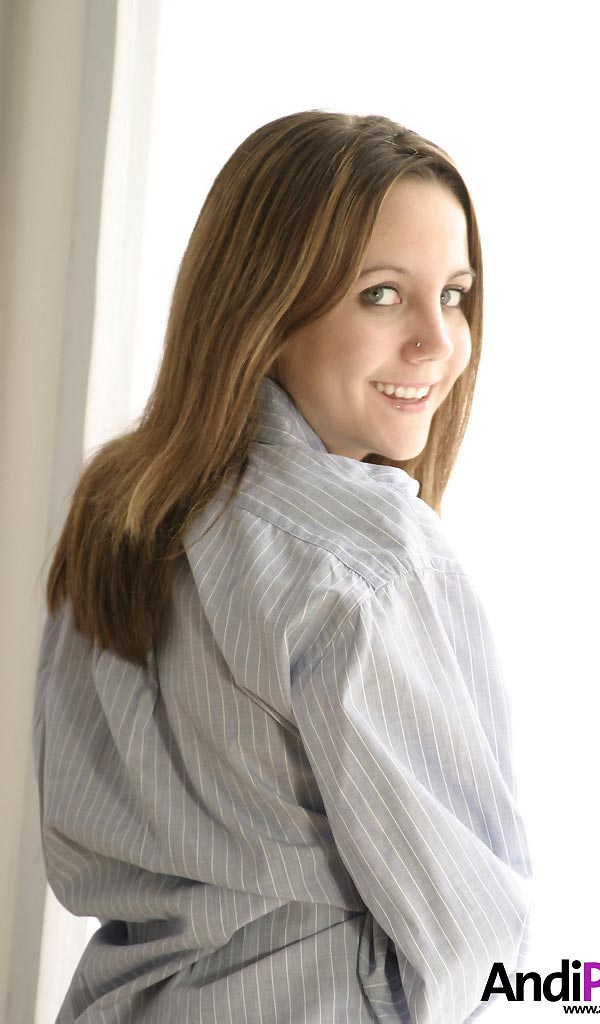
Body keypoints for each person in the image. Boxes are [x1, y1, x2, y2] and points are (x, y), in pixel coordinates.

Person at [33, 110, 531, 1023]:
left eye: (455, 294)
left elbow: (78, 835)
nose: (437, 341)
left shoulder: (121, 507)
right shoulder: (366, 560)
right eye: (380, 294)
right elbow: (474, 937)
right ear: (265, 309)